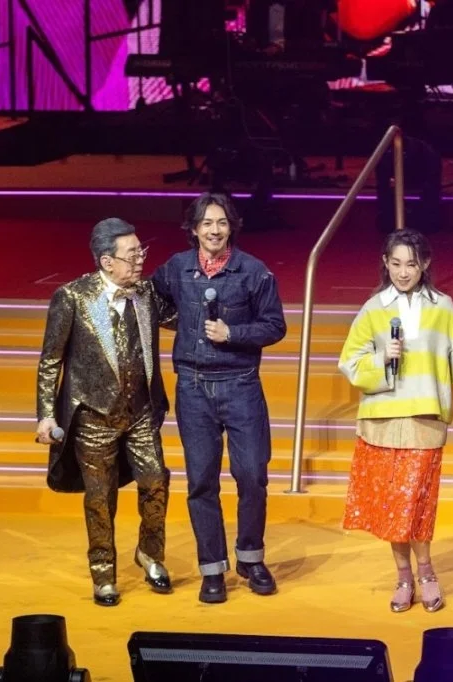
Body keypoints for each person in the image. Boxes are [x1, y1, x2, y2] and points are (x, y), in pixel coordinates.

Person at [151, 192, 287, 604]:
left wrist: (234, 334)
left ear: (232, 227)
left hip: (241, 384)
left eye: (222, 223)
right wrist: (185, 326)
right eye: (207, 223)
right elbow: (151, 299)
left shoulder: (254, 271)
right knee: (201, 481)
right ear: (194, 229)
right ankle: (212, 568)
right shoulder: (176, 268)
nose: (214, 230)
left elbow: (275, 325)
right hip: (192, 388)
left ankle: (250, 557)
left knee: (252, 474)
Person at [338, 228, 453, 613]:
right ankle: (403, 576)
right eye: (396, 263)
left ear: (425, 265)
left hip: (424, 420)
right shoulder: (373, 308)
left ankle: (427, 572)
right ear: (385, 263)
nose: (403, 272)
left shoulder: (443, 307)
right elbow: (350, 362)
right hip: (381, 421)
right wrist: (382, 358)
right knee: (393, 505)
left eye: (411, 264)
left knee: (416, 502)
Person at [35, 218, 174, 607]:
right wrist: (46, 414)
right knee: (100, 498)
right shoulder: (72, 297)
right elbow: (51, 360)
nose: (140, 259)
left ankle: (150, 553)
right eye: (132, 254)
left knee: (156, 481)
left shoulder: (146, 292)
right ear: (107, 261)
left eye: (141, 251)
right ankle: (103, 573)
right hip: (94, 416)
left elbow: (182, 319)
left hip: (141, 411)